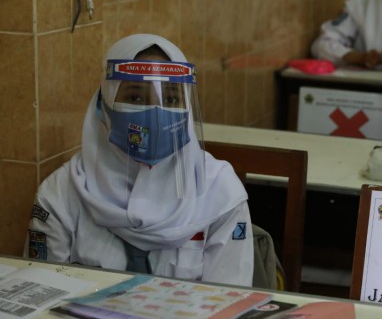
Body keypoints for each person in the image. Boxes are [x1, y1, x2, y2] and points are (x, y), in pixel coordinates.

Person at [25, 34, 253, 286]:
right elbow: (42, 293)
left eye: (172, 99)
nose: (155, 112)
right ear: (105, 103)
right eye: (135, 98)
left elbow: (229, 300)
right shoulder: (61, 193)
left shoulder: (219, 192)